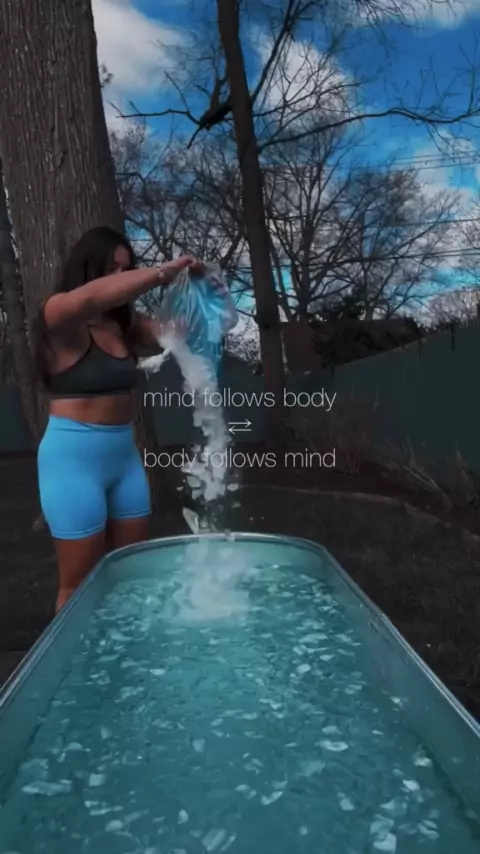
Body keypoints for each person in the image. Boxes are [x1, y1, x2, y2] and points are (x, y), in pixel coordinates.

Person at [35, 226, 203, 613]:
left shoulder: (124, 327)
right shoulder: (59, 315)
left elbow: (177, 334)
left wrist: (199, 287)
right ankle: (78, 651)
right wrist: (161, 273)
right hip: (73, 462)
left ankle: (122, 646)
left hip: (124, 459)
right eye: (111, 268)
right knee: (78, 586)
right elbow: (91, 297)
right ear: (87, 268)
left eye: (125, 269)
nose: (120, 277)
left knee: (131, 575)